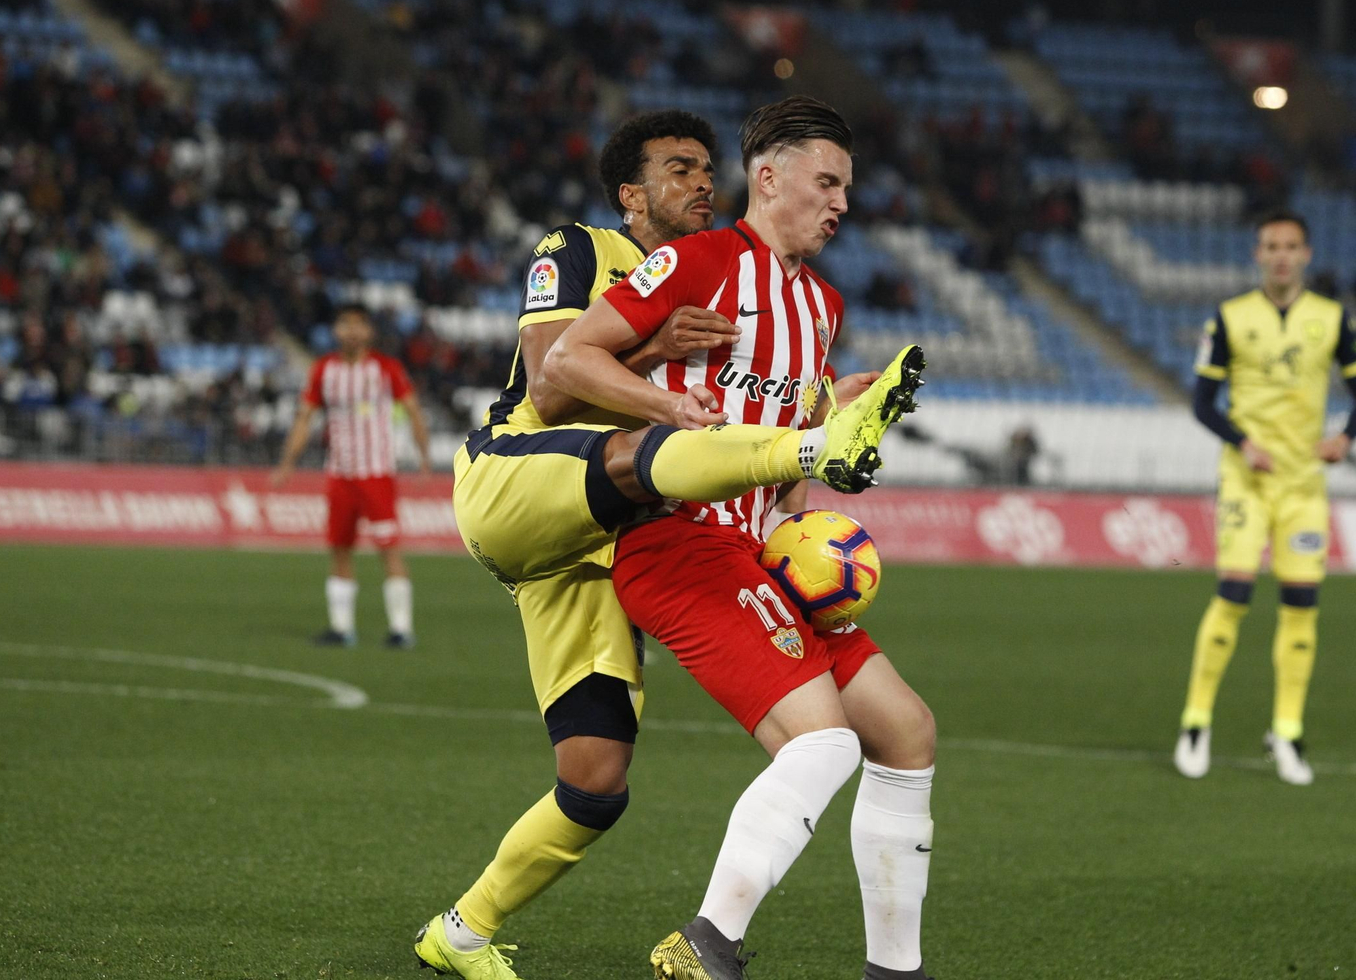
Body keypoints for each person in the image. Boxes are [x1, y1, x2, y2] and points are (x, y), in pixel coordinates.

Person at [412, 108, 919, 980]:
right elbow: (553, 379)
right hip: (528, 477)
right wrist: (658, 360)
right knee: (647, 458)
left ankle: (458, 930)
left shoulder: (789, 297)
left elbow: (753, 415)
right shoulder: (589, 251)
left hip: (609, 533)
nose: (699, 182)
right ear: (630, 192)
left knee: (596, 777)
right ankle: (705, 946)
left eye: (704, 168)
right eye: (679, 168)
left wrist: (806, 474)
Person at [1174, 210, 1356, 786]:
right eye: (1271, 246)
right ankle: (1196, 722)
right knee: (1234, 594)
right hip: (1246, 480)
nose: (1281, 255)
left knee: (1301, 605)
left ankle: (1286, 731)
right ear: (1257, 254)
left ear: (1307, 254)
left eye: (1291, 246)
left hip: (1305, 486)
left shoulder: (1332, 320)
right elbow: (1202, 403)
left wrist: (1345, 438)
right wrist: (1243, 442)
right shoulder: (1232, 317)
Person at [272, 302, 432, 648]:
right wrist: (288, 462)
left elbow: (413, 410)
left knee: (388, 548)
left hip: (377, 473)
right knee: (339, 548)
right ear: (335, 330)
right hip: (340, 475)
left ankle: (401, 629)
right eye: (345, 324)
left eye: (359, 325)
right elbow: (305, 418)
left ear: (370, 332)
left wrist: (423, 456)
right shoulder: (323, 370)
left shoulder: (386, 368)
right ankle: (342, 629)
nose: (352, 331)